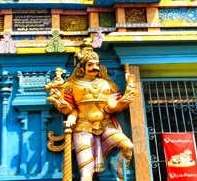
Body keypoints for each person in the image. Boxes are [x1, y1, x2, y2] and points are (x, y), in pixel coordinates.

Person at [46, 48, 136, 181]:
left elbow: (111, 108)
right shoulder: (72, 84)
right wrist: (67, 111)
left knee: (128, 146)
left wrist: (123, 101)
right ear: (82, 68)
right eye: (90, 64)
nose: (95, 67)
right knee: (86, 172)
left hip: (106, 126)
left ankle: (120, 171)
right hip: (83, 128)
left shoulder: (107, 84)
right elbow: (70, 109)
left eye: (97, 64)